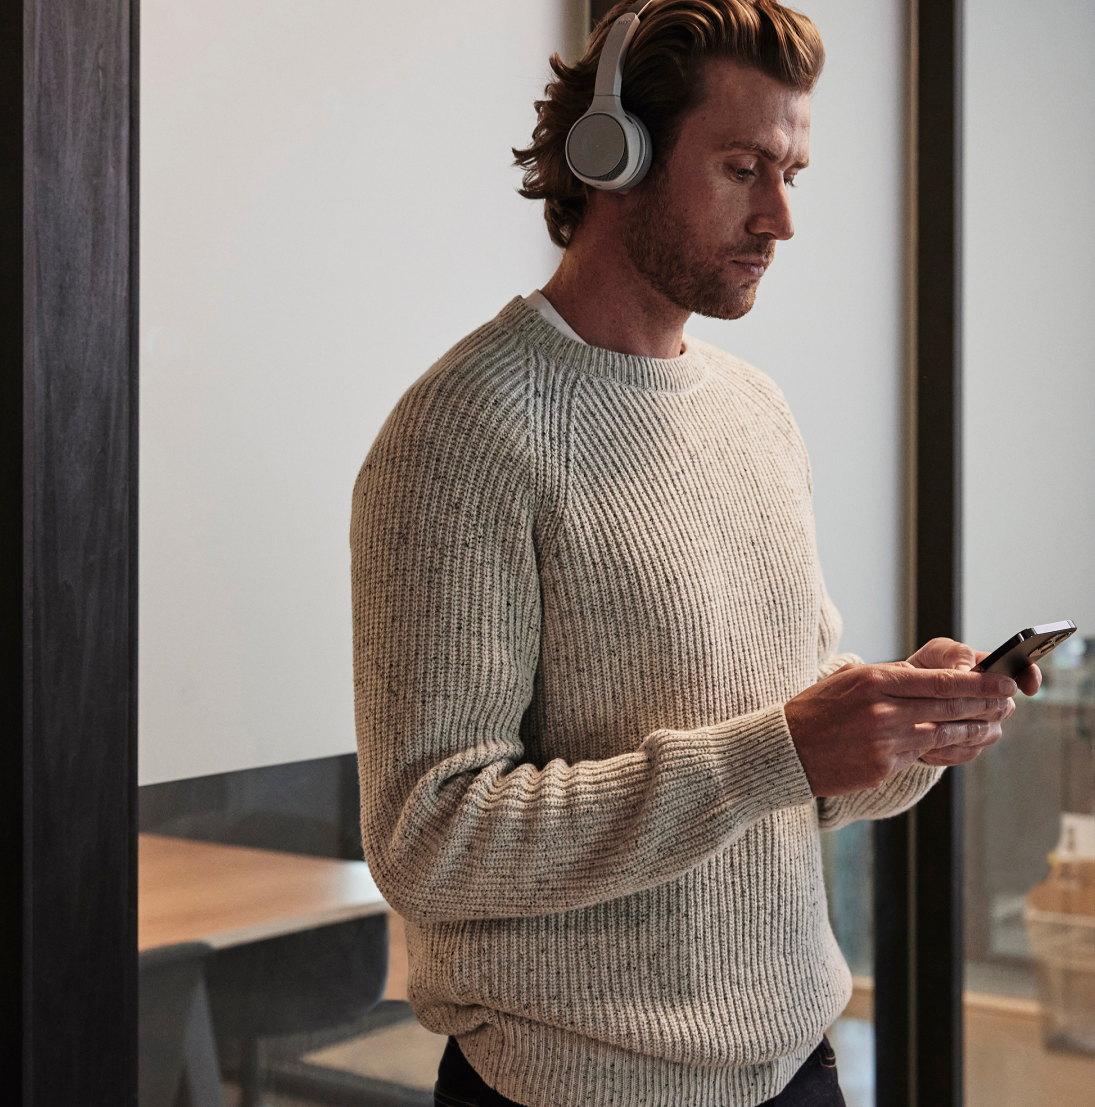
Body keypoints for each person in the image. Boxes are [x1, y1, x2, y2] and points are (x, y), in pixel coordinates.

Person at [349, 2, 1039, 1105]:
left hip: (794, 1063)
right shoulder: (461, 435)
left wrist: (899, 734)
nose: (779, 218)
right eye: (740, 167)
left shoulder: (755, 414)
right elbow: (430, 839)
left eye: (792, 175)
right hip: (571, 1088)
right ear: (610, 155)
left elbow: (785, 781)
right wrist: (778, 752)